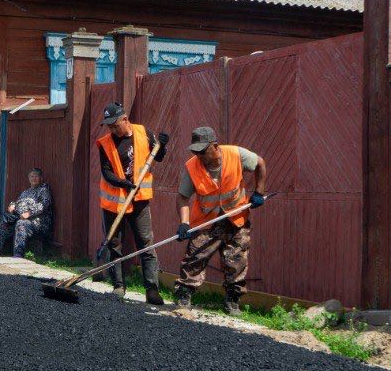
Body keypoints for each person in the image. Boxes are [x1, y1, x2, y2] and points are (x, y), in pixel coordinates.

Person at [172, 126, 267, 314]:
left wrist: (259, 192)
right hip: (207, 222)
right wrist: (184, 223)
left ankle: (232, 300)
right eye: (195, 151)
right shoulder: (192, 166)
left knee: (237, 259)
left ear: (214, 146)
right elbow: (182, 197)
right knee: (195, 256)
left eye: (202, 151)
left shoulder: (236, 155)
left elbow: (260, 164)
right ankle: (184, 296)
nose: (199, 156)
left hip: (236, 218)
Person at [96, 101, 168, 305]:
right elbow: (106, 172)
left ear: (125, 119)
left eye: (115, 124)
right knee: (114, 244)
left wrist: (163, 144)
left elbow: (159, 157)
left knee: (145, 244)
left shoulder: (144, 133)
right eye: (109, 126)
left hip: (139, 201)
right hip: (114, 202)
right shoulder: (105, 143)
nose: (112, 129)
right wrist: (124, 184)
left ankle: (152, 290)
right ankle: (118, 286)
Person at [0, 167, 52, 258]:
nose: (34, 178)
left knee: (21, 223)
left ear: (41, 178)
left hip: (37, 222)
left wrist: (29, 213)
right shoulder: (26, 192)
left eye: (37, 176)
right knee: (6, 219)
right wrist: (12, 205)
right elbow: (18, 202)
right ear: (29, 178)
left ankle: (18, 254)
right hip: (21, 217)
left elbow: (44, 204)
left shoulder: (43, 190)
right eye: (32, 176)